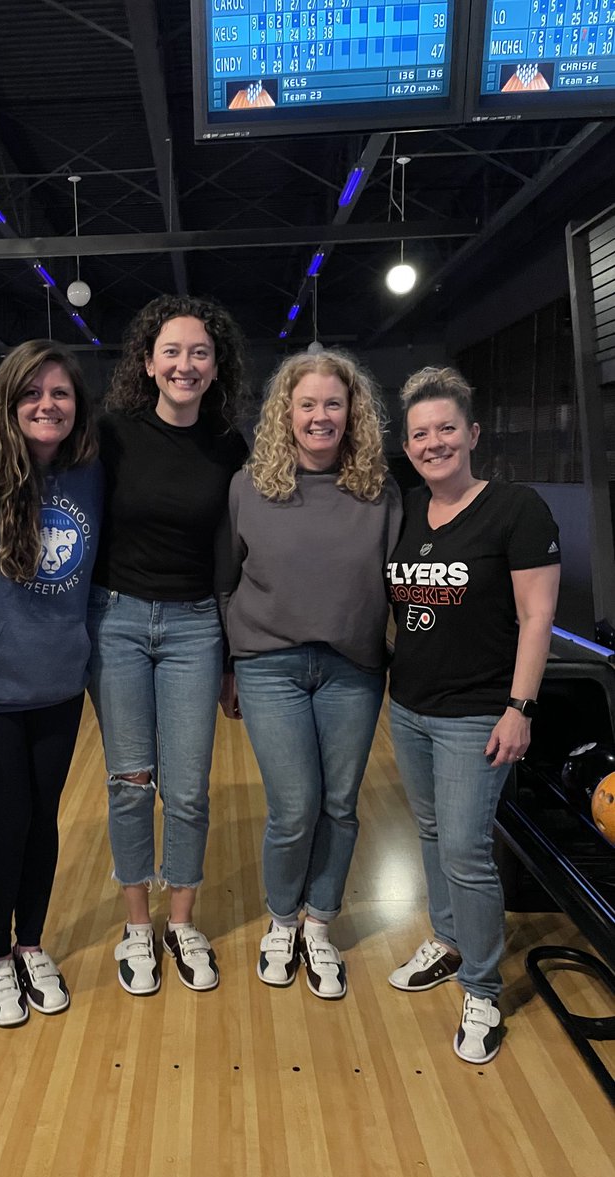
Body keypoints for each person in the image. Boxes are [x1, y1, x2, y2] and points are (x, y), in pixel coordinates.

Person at [386, 365, 560, 1064]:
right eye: (420, 434)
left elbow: (537, 616)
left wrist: (520, 707)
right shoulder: (406, 509)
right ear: (407, 445)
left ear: (473, 433)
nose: (434, 443)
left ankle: (483, 989)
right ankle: (450, 940)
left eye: (446, 429)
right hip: (409, 706)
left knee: (465, 848)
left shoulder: (516, 509)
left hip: (477, 713)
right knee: (432, 833)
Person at [220, 350, 401, 998]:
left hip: (353, 667)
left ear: (352, 412)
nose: (320, 415)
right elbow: (225, 581)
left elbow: (403, 581)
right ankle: (281, 921)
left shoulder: (380, 490)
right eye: (307, 404)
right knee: (294, 806)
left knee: (339, 805)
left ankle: (319, 924)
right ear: (285, 412)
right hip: (270, 664)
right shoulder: (249, 487)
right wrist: (228, 668)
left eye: (333, 403)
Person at [88, 295, 249, 995]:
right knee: (130, 783)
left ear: (216, 367)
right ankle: (136, 925)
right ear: (149, 363)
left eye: (200, 353)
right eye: (172, 352)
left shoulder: (228, 444)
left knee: (186, 789)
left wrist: (234, 656)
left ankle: (181, 921)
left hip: (194, 627)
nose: (186, 364)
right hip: (117, 619)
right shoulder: (111, 434)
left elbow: (231, 552)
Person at [0, 340, 101, 1026]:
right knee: (6, 821)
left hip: (60, 683)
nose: (47, 405)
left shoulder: (88, 468)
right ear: (7, 401)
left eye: (60, 393)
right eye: (31, 393)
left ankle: (31, 944)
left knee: (42, 821)